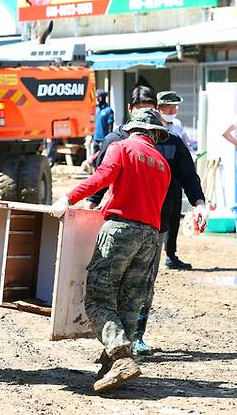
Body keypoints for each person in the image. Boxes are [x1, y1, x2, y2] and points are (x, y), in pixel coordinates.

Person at [50, 108, 171, 393]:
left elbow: (103, 177)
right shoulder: (163, 163)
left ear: (133, 129)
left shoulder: (121, 148)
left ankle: (119, 356)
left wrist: (68, 197)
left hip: (120, 231)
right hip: (151, 238)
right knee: (130, 301)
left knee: (97, 299)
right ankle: (112, 366)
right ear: (155, 134)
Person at [88, 84, 206, 355]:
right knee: (110, 284)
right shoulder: (116, 140)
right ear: (130, 110)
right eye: (141, 111)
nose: (146, 120)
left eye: (150, 111)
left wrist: (199, 203)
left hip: (156, 222)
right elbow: (100, 179)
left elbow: (189, 177)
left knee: (142, 286)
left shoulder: (172, 142)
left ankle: (135, 338)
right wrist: (89, 205)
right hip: (119, 221)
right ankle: (115, 342)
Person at [157, 91, 194, 271]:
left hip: (175, 179)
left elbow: (186, 145)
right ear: (159, 107)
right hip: (156, 180)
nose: (173, 110)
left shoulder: (177, 125)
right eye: (169, 106)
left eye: (175, 106)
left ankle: (170, 254)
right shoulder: (153, 125)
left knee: (173, 217)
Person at [93, 89, 114, 154]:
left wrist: (109, 139)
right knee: (95, 160)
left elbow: (110, 126)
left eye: (98, 97)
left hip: (103, 140)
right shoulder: (96, 108)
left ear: (102, 98)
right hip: (95, 139)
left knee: (102, 159)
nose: (97, 99)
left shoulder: (108, 110)